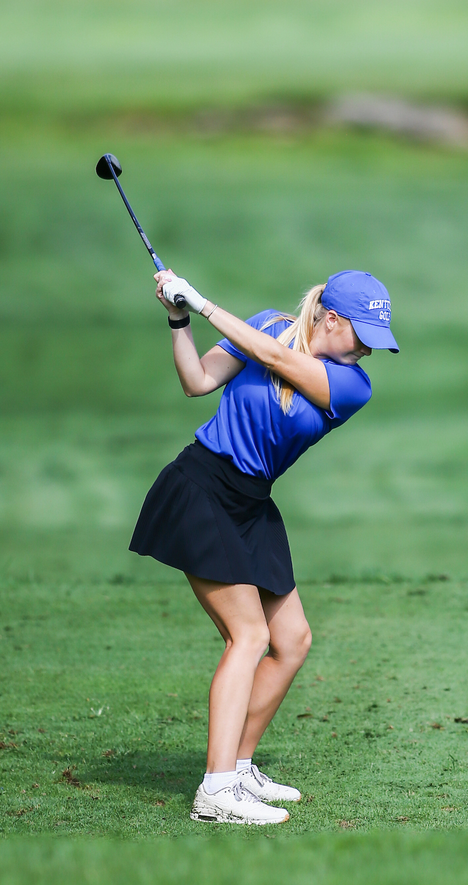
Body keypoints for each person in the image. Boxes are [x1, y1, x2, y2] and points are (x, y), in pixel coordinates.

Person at [129, 269, 398, 825]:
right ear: (330, 318)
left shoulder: (353, 385)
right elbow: (198, 381)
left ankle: (240, 765)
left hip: (251, 503)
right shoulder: (268, 325)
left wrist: (202, 303)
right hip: (201, 488)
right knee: (248, 635)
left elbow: (277, 362)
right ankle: (217, 789)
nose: (369, 346)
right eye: (363, 332)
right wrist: (178, 318)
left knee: (292, 640)